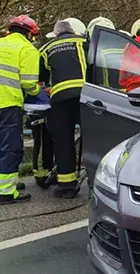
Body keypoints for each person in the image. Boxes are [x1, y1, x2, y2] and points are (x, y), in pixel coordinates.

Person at [38, 20, 89, 198]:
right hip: (85, 96)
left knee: (63, 141)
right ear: (72, 31)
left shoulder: (46, 49)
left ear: (56, 34)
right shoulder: (83, 42)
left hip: (59, 99)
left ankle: (66, 186)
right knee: (90, 139)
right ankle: (94, 182)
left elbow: (41, 78)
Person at [0, 15, 41, 204]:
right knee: (10, 147)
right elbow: (28, 83)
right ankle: (6, 191)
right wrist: (39, 91)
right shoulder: (27, 49)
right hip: (8, 104)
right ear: (29, 33)